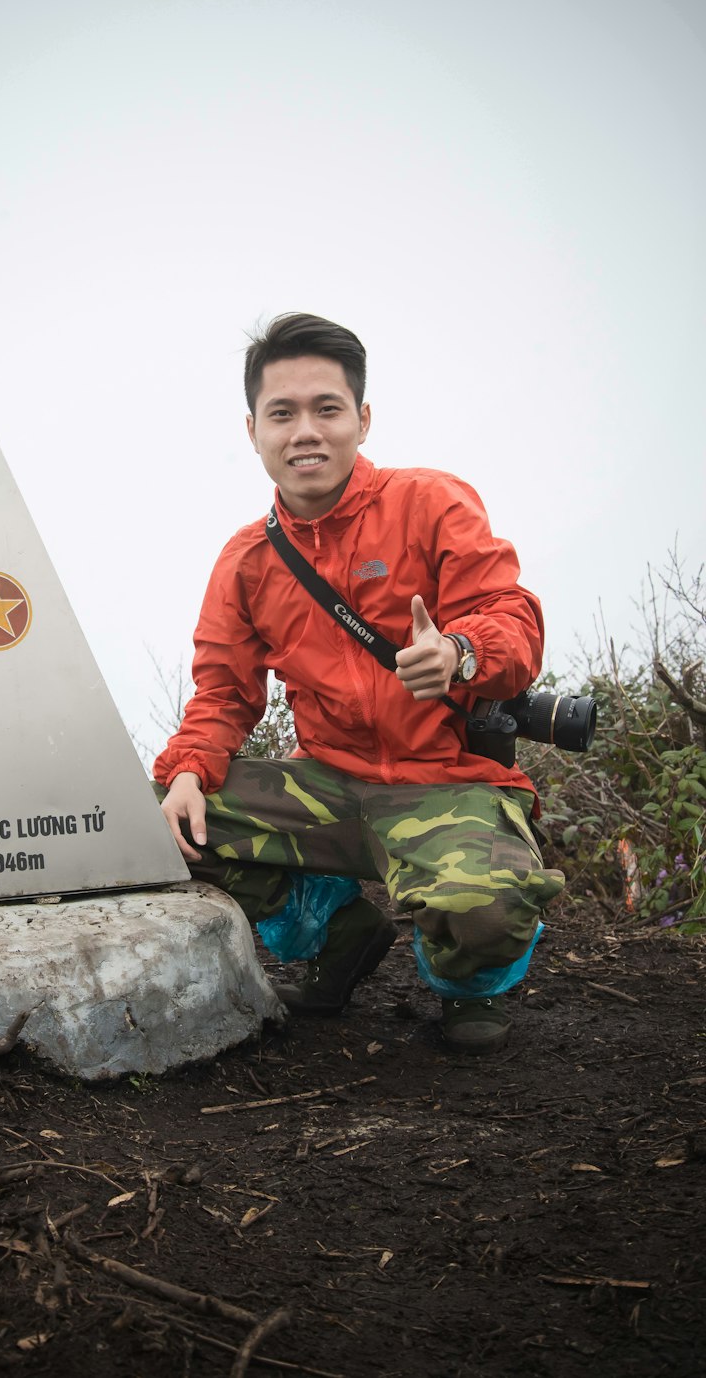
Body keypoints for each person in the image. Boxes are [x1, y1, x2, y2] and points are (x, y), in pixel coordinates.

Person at [153, 313, 564, 1054]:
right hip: (331, 785)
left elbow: (515, 620)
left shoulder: (432, 502)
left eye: (326, 409)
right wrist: (187, 769)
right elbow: (223, 696)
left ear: (363, 420)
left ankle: (467, 984)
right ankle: (338, 935)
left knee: (482, 909)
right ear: (253, 430)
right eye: (282, 413)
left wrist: (462, 653)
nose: (304, 431)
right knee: (167, 816)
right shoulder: (246, 561)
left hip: (447, 783)